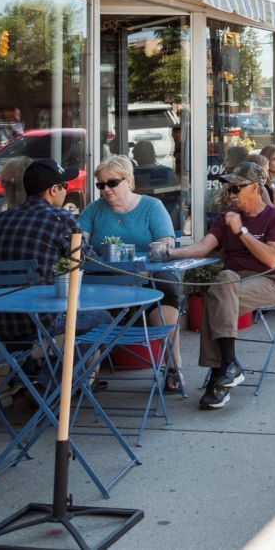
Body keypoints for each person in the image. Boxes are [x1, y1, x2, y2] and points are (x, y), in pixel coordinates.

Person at [170, 161, 275, 410]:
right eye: (229, 188)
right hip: (232, 280)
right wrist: (170, 253)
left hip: (267, 282)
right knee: (223, 281)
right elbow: (203, 247)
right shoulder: (226, 217)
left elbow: (272, 259)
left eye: (236, 188)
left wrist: (242, 232)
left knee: (217, 293)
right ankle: (227, 369)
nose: (231, 194)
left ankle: (219, 374)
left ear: (255, 188)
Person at [79, 155, 192, 389]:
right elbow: (78, 245)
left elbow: (166, 246)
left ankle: (173, 366)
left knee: (165, 297)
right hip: (107, 275)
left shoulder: (151, 207)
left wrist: (141, 270)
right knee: (86, 299)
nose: (106, 189)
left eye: (112, 183)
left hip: (149, 273)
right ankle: (89, 373)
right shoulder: (93, 210)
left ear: (129, 181)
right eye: (101, 185)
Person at [0, 158, 110, 342]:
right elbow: (89, 263)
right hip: (38, 320)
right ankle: (79, 371)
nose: (66, 191)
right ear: (53, 190)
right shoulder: (61, 219)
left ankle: (31, 363)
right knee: (103, 318)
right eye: (64, 185)